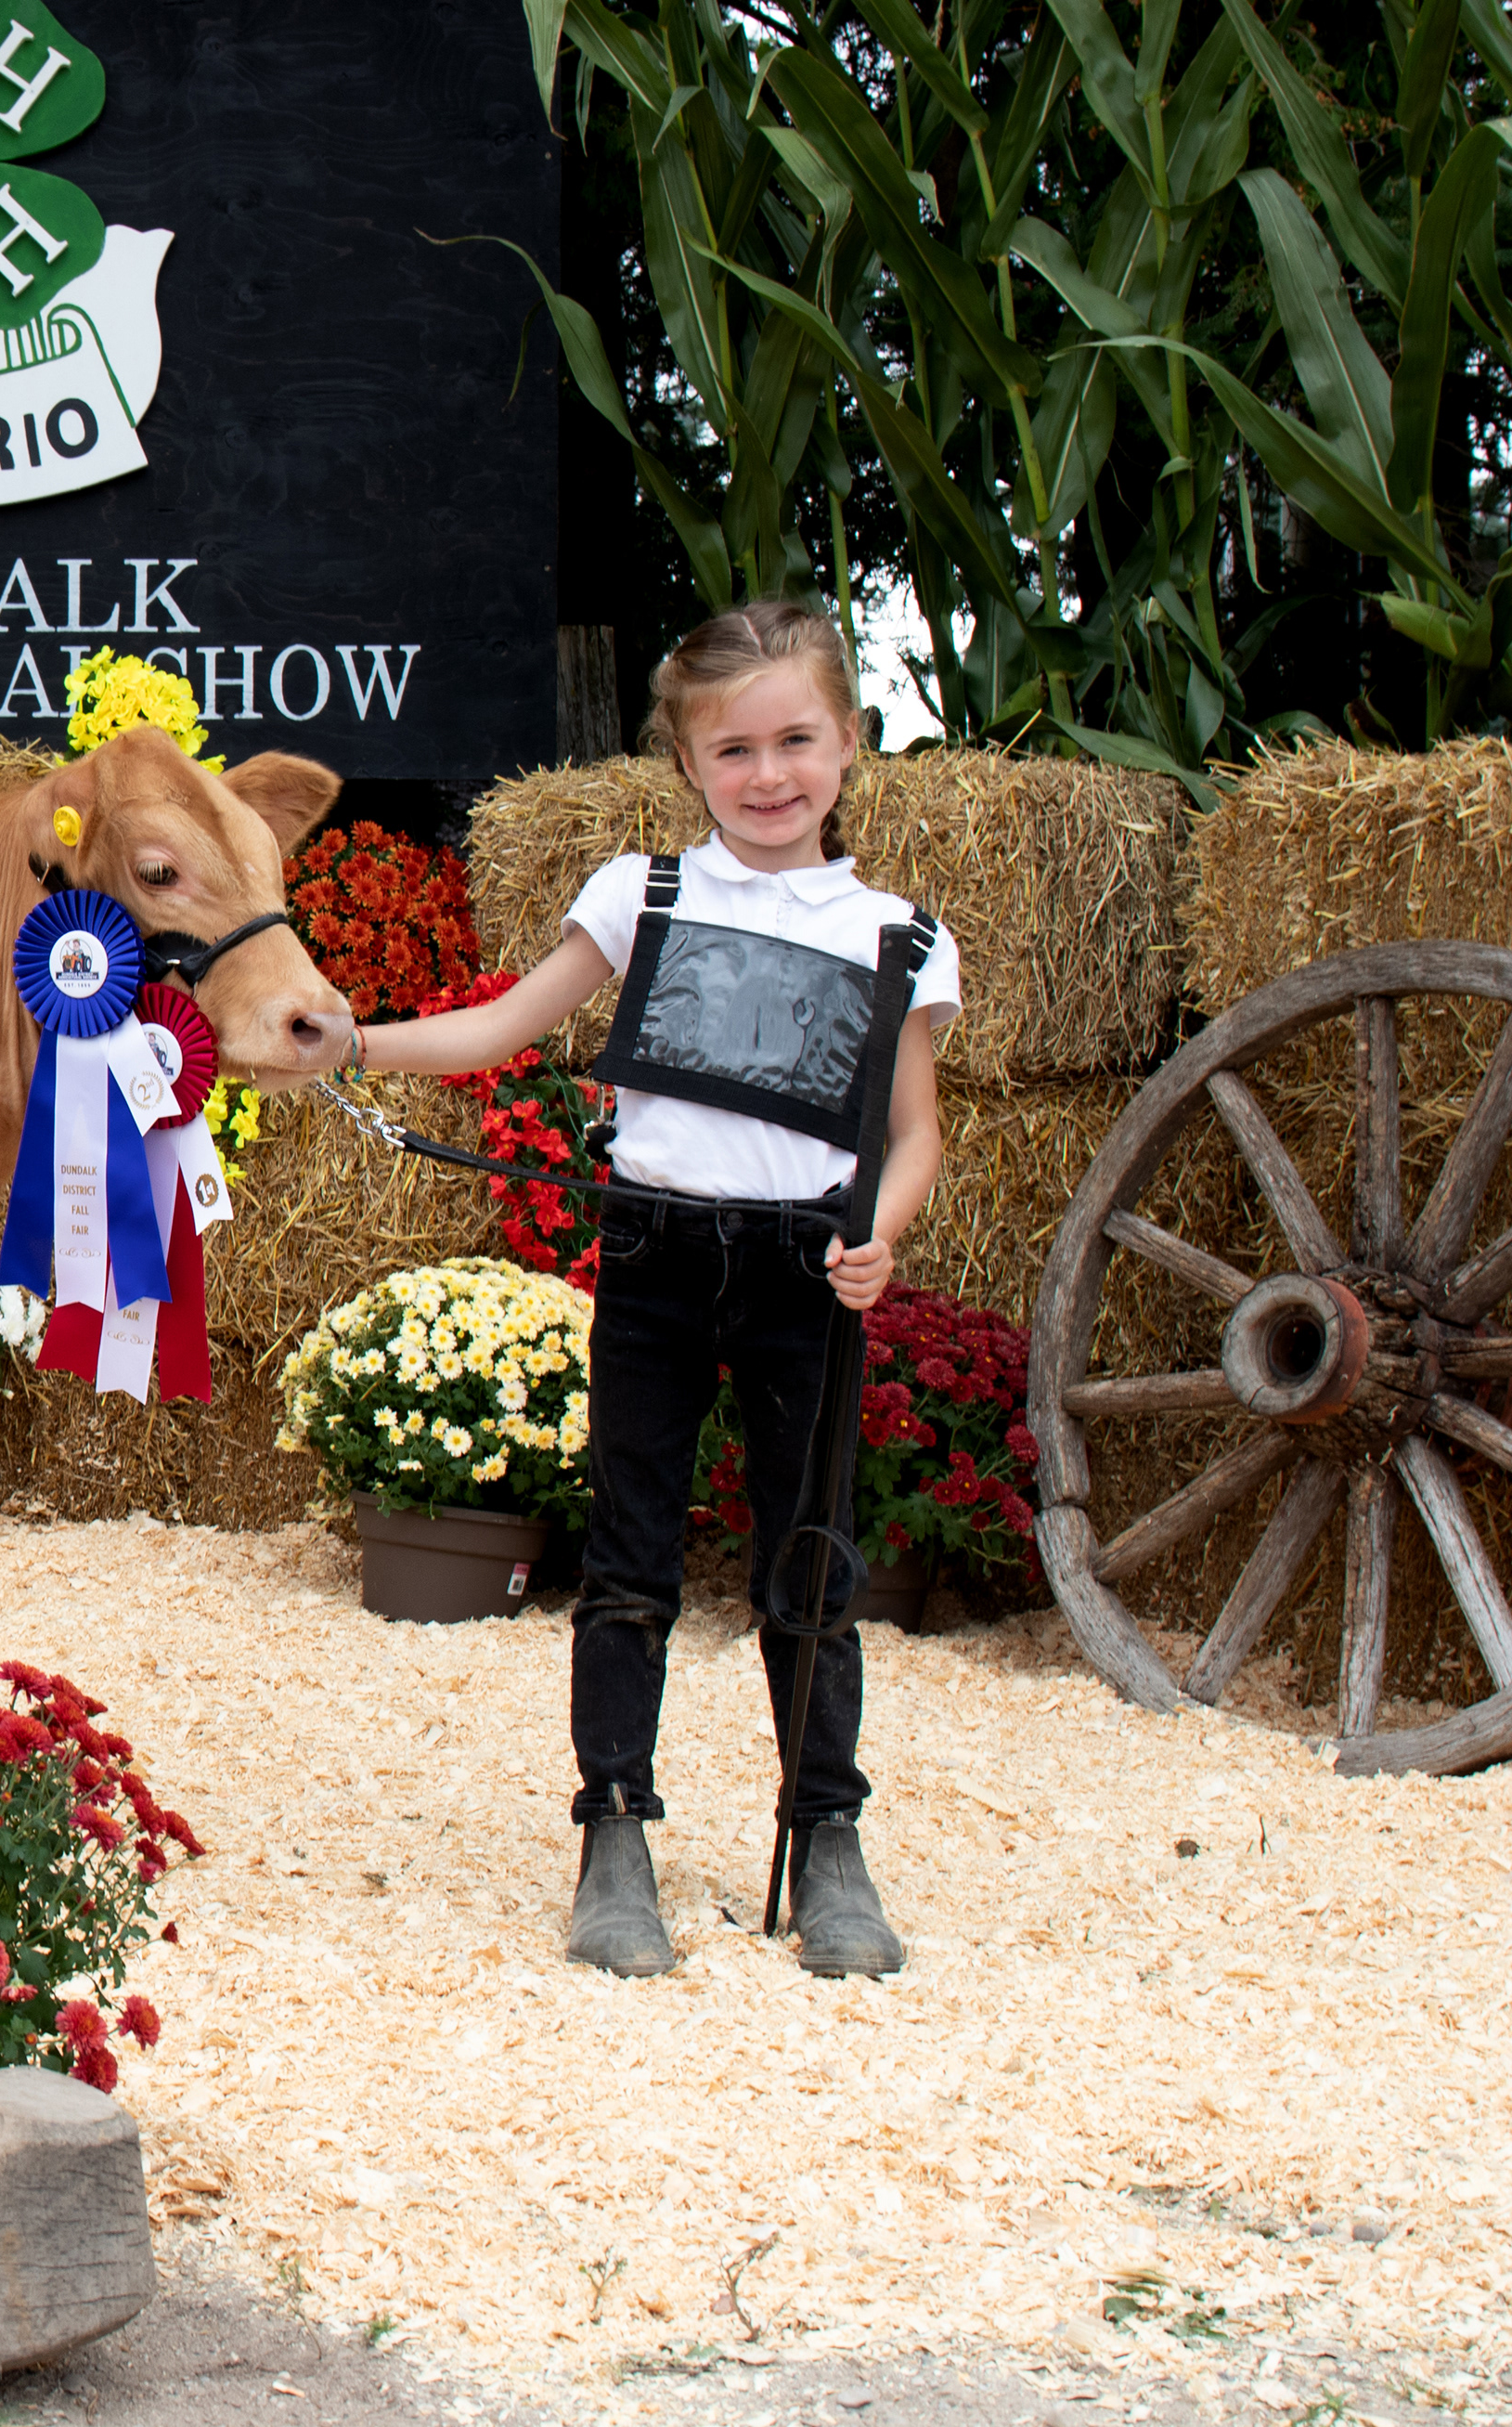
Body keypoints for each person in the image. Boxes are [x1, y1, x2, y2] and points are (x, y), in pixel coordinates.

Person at [349, 602, 960, 1979]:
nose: (767, 774)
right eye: (733, 749)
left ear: (849, 743)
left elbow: (914, 1133)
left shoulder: (898, 936)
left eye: (795, 741)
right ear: (687, 763)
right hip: (654, 1256)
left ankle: (829, 1835)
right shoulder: (645, 894)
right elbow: (504, 1024)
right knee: (630, 1557)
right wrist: (351, 1043)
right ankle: (614, 1830)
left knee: (810, 1558)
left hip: (809, 1270)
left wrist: (880, 1235)